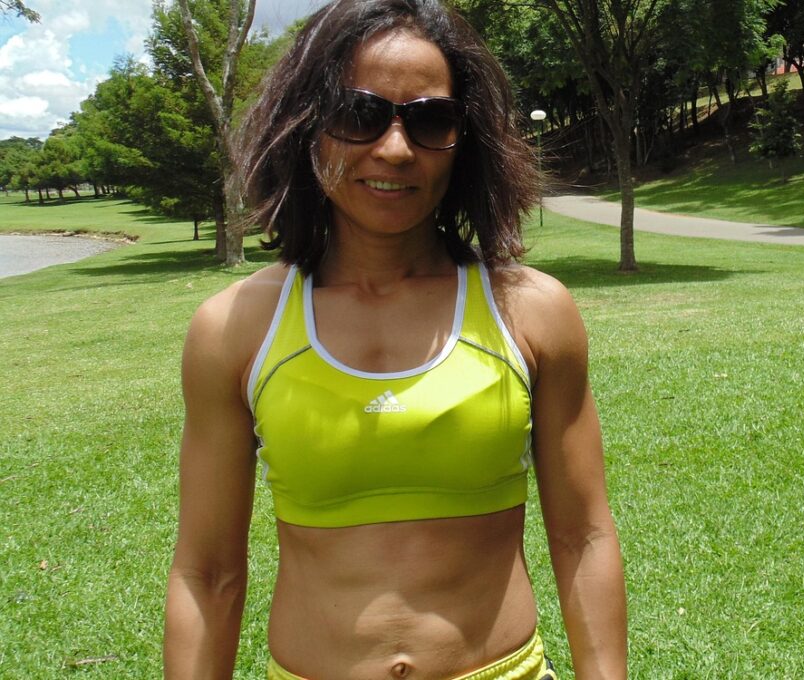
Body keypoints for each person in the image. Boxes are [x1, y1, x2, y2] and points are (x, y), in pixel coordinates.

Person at [162, 1, 627, 678]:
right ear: (307, 126)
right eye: (360, 114)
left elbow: (583, 536)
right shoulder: (234, 330)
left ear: (465, 141)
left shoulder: (532, 312)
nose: (396, 149)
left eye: (431, 120)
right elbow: (206, 573)